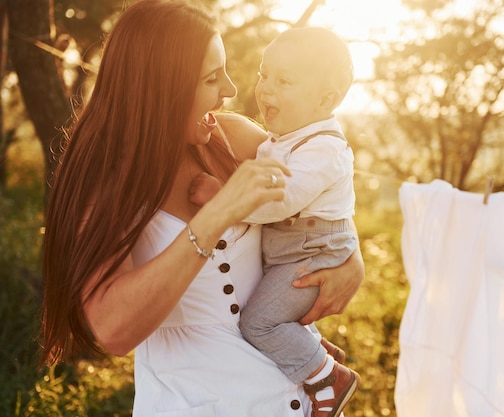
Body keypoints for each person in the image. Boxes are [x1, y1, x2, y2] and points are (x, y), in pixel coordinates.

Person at [38, 1, 364, 416]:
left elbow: (321, 182)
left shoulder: (234, 140)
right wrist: (214, 217)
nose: (231, 90)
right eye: (212, 77)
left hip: (295, 402)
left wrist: (352, 258)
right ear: (161, 88)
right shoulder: (105, 184)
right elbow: (113, 332)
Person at [189, 26, 360, 417]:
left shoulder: (323, 149)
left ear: (326, 100)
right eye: (264, 75)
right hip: (298, 251)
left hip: (313, 254)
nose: (265, 89)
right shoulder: (282, 139)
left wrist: (224, 199)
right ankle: (310, 349)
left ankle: (328, 377)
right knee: (270, 312)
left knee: (259, 323)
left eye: (284, 81)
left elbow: (282, 202)